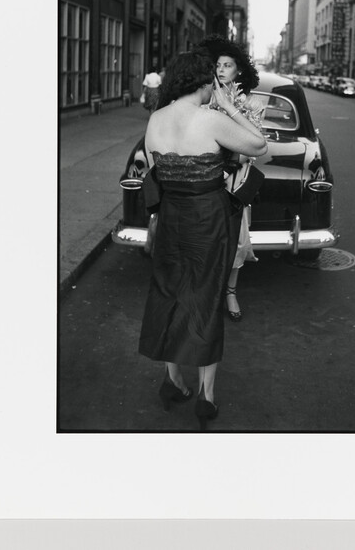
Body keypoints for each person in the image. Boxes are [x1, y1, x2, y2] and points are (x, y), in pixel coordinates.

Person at [138, 49, 267, 430]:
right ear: (203, 81)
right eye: (212, 79)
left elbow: (155, 170)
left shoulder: (156, 119)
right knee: (206, 299)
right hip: (207, 220)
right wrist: (228, 107)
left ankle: (172, 380)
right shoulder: (209, 118)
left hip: (171, 218)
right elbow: (259, 145)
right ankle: (206, 398)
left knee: (169, 294)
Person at [198, 35, 264, 323]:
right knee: (206, 238)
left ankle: (230, 292)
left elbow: (254, 145)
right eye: (218, 65)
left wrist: (229, 168)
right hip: (206, 178)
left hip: (234, 181)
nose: (222, 69)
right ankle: (208, 291)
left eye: (228, 65)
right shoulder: (203, 99)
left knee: (236, 240)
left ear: (239, 71)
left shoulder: (251, 103)